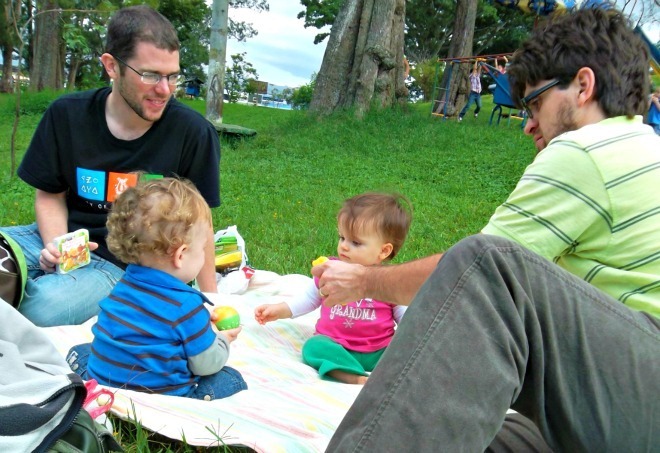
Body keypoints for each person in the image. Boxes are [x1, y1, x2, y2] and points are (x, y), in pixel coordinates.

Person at [316, 7, 659, 451]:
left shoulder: (588, 150)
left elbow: (475, 280)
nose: (529, 125)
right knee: (456, 433)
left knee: (488, 264)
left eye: (535, 103)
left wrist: (364, 281)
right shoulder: (642, 148)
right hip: (629, 397)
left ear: (582, 86)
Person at [0, 5, 221, 327]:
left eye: (172, 76)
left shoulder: (192, 133)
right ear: (112, 66)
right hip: (59, 237)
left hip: (126, 263)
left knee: (41, 311)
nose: (165, 89)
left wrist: (213, 302)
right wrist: (60, 249)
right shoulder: (66, 114)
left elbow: (202, 224)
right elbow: (50, 194)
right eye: (150, 75)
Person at [66, 178, 246, 400]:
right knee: (231, 379)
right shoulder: (187, 305)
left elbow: (150, 323)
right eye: (202, 249)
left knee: (82, 352)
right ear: (181, 255)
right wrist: (223, 341)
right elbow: (205, 365)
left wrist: (195, 322)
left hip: (105, 383)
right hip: (163, 395)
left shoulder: (123, 284)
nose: (203, 256)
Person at [254, 192, 412, 385]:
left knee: (407, 353)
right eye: (342, 237)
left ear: (383, 251)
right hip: (335, 344)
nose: (344, 246)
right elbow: (310, 298)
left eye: (355, 242)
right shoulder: (331, 270)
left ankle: (380, 373)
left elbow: (407, 317)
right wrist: (280, 310)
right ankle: (353, 376)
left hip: (378, 350)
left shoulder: (388, 280)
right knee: (313, 347)